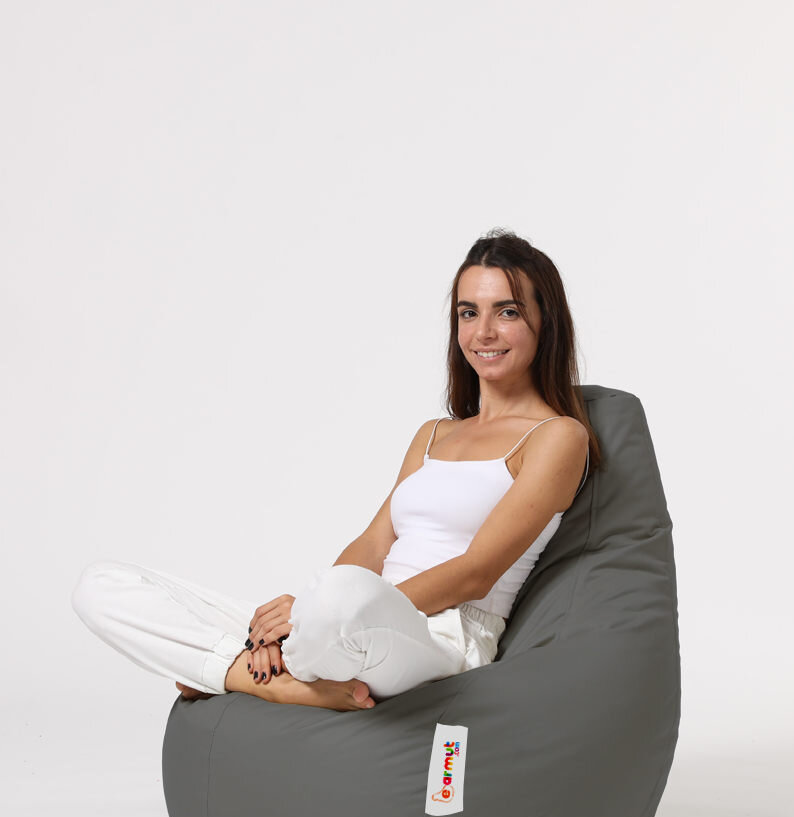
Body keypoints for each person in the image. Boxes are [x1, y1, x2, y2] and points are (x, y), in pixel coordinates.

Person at [71, 228, 599, 713]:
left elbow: (477, 572)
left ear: (544, 322)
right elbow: (373, 543)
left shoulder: (557, 437)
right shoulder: (434, 434)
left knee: (340, 597)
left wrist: (321, 613)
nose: (482, 332)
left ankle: (232, 667)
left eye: (506, 312)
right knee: (101, 586)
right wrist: (302, 616)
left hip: (440, 637)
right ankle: (257, 675)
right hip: (352, 620)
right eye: (467, 313)